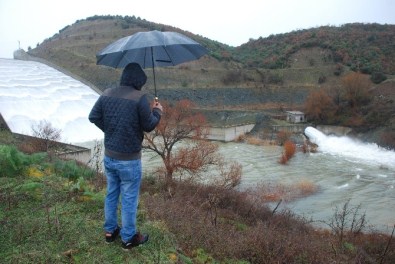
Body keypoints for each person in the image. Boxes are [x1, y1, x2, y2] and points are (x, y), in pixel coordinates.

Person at [89, 62, 163, 250]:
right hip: (129, 159)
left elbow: (93, 116)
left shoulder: (106, 93)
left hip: (110, 156)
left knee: (112, 193)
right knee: (129, 198)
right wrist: (157, 111)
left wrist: (111, 130)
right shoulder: (139, 98)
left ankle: (110, 231)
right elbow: (148, 125)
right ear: (138, 81)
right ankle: (128, 238)